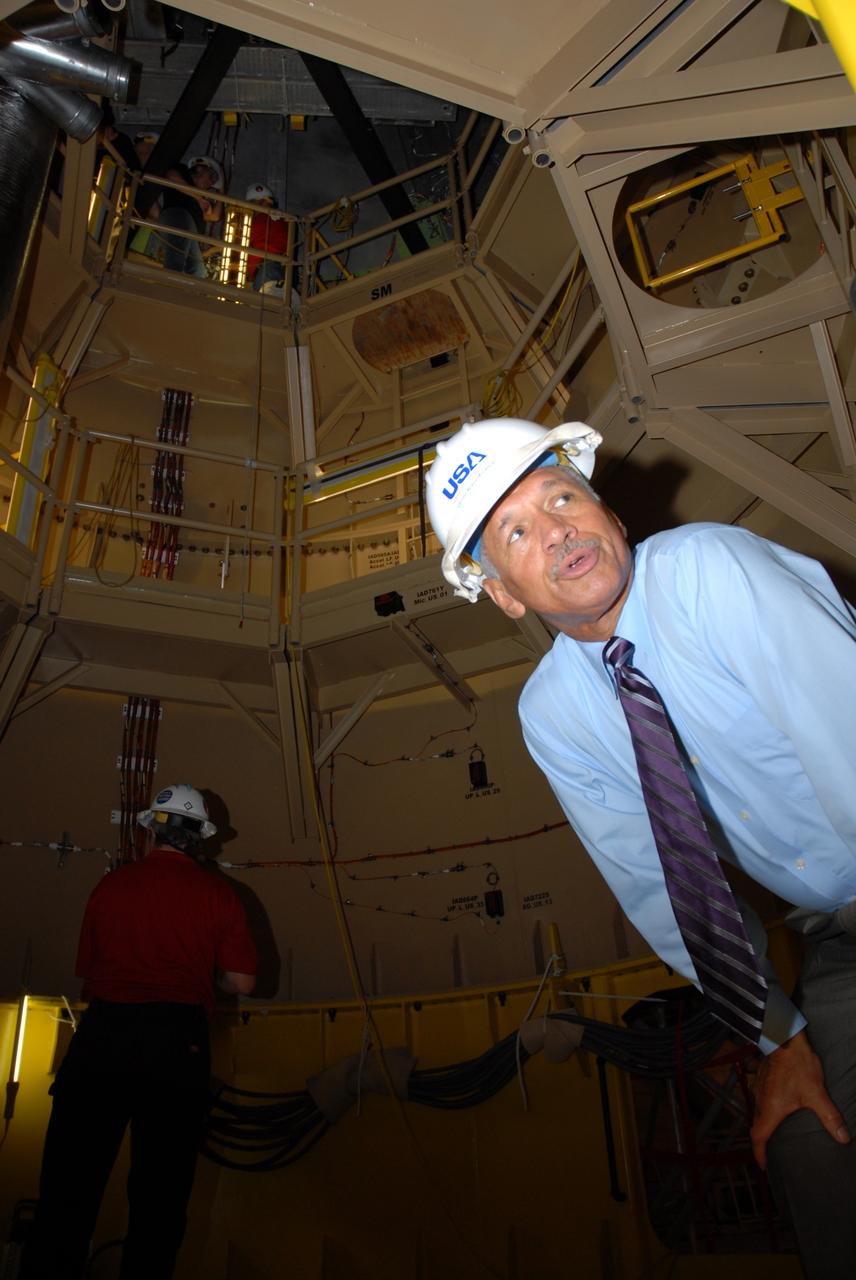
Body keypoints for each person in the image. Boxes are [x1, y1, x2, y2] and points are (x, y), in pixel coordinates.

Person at [426, 416, 856, 1278]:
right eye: (515, 530)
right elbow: (668, 891)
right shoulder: (554, 716)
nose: (555, 530)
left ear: (609, 513)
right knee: (813, 1153)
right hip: (833, 936)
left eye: (562, 497)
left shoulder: (709, 569)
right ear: (503, 593)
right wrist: (782, 1039)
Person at [22, 784, 257, 1280]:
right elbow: (242, 981)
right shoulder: (222, 895)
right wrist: (202, 970)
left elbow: (89, 967)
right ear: (202, 839)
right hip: (177, 1045)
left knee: (68, 1192)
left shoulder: (110, 887)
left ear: (152, 829)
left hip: (104, 1037)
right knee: (160, 1199)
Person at [155, 155, 223, 277]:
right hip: (178, 215)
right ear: (199, 169)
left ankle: (185, 293)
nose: (210, 184)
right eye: (210, 177)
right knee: (177, 258)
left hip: (191, 231)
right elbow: (172, 178)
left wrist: (221, 192)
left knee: (198, 271)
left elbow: (214, 216)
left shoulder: (201, 200)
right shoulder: (182, 171)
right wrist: (199, 198)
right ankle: (169, 287)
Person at [244, 183, 290, 292]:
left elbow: (241, 244)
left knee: (265, 305)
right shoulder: (279, 220)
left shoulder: (262, 219)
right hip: (270, 270)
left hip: (266, 270)